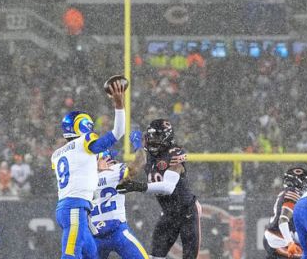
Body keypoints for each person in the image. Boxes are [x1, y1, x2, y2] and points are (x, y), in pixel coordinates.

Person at [52, 79, 127, 259]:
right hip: (75, 207)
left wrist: (96, 168)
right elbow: (118, 133)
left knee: (91, 254)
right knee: (71, 253)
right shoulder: (84, 143)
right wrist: (119, 105)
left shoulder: (56, 155)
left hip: (69, 207)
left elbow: (78, 172)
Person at [116, 119, 201, 259]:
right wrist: (138, 147)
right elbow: (134, 167)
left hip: (188, 212)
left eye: (157, 138)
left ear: (167, 138)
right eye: (151, 137)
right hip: (168, 213)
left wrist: (138, 186)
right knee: (155, 256)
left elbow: (168, 187)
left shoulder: (175, 152)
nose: (152, 141)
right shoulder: (147, 153)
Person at [91, 146, 148, 259]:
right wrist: (138, 147)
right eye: (109, 159)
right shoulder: (115, 171)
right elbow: (140, 162)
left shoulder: (84, 178)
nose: (112, 162)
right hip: (117, 232)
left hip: (96, 236)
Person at [263, 166, 307, 259]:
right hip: (279, 240)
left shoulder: (287, 192)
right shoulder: (293, 193)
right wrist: (290, 242)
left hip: (277, 238)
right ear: (299, 181)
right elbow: (283, 220)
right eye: (305, 181)